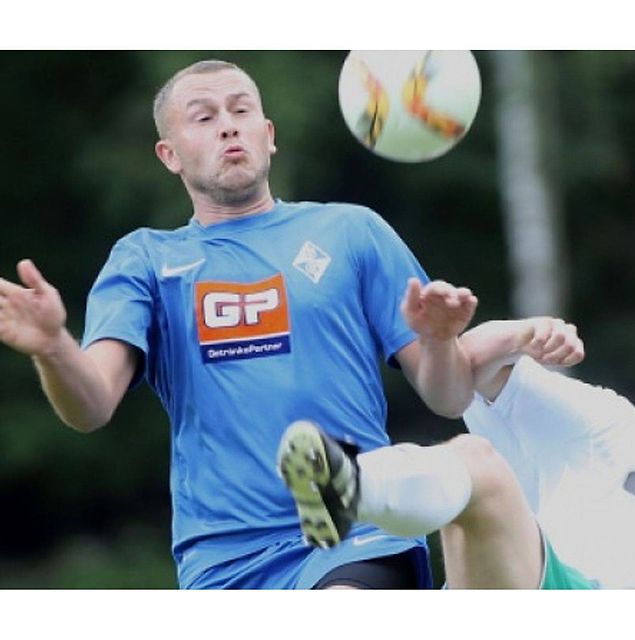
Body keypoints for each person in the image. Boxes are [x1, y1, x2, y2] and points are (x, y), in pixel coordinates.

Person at [0, 59, 480, 589]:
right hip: (224, 559)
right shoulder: (145, 260)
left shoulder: (352, 231)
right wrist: (51, 346)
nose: (228, 125)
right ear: (170, 155)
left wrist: (439, 341)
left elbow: (451, 398)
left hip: (354, 533)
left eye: (241, 110)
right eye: (203, 118)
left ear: (268, 136)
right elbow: (90, 406)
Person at [278, 318, 635, 588]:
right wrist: (523, 335)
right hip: (554, 592)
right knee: (478, 465)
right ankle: (344, 487)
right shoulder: (620, 431)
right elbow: (475, 370)